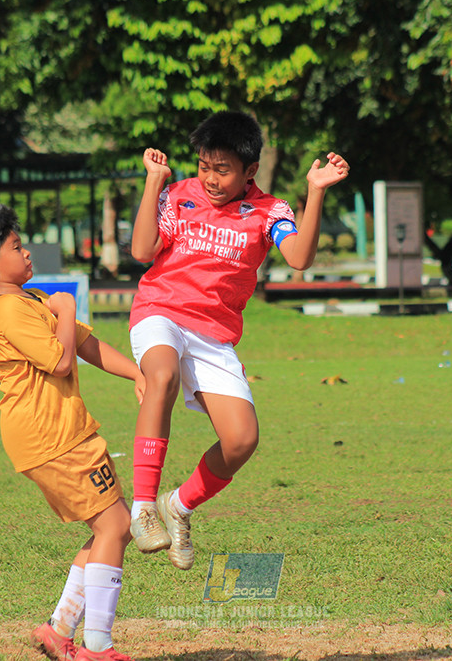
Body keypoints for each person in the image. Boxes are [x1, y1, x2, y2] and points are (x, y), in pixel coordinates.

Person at [127, 111, 350, 570]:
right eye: (204, 166)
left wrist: (316, 191)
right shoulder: (178, 194)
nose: (209, 178)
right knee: (163, 374)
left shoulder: (272, 212)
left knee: (242, 439)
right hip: (161, 312)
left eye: (222, 170)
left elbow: (299, 258)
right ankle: (144, 507)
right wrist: (154, 183)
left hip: (214, 336)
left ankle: (179, 506)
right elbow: (141, 252)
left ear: (250, 171)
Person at [0, 205, 144, 661]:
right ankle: (98, 645)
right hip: (51, 436)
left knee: (107, 529)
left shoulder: (29, 300)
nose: (27, 251)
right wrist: (68, 305)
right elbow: (62, 360)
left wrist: (136, 374)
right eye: (17, 246)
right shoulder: (9, 310)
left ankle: (59, 629)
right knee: (115, 525)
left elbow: (85, 344)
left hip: (62, 432)